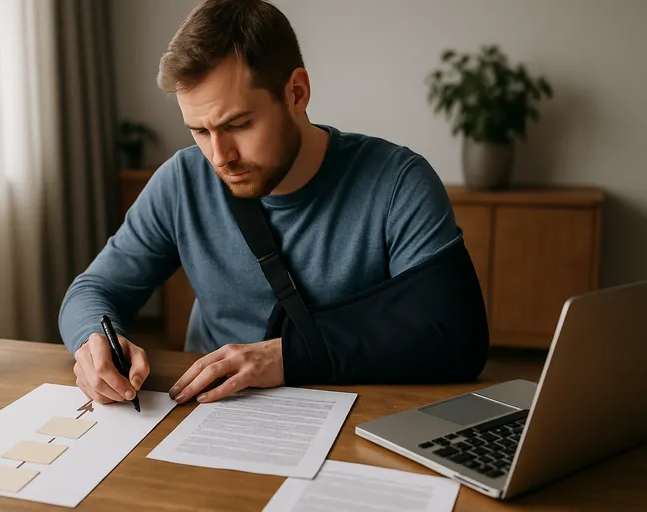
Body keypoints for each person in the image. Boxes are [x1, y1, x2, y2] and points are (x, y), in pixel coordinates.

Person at [59, 0, 488, 407]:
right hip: (215, 417)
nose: (219, 156)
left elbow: (453, 334)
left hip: (357, 414)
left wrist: (285, 357)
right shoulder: (183, 180)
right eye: (200, 131)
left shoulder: (398, 182)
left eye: (238, 124)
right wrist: (93, 342)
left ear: (296, 93)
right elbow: (94, 289)